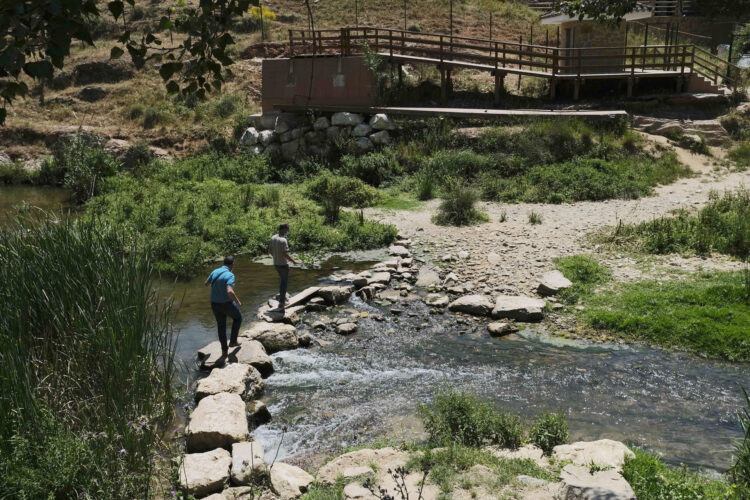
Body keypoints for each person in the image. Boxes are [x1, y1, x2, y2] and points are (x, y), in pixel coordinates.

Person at [205, 256, 242, 356]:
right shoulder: (230, 275)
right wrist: (237, 301)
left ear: (223, 263)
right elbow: (230, 291)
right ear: (232, 264)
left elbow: (207, 284)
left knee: (221, 326)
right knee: (238, 318)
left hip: (214, 304)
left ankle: (224, 351)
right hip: (227, 304)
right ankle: (233, 341)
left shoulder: (215, 271)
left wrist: (217, 287)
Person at [268, 223, 297, 310]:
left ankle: (282, 298)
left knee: (281, 281)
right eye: (287, 229)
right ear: (283, 229)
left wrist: (276, 257)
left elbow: (270, 250)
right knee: (284, 283)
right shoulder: (283, 240)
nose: (288, 231)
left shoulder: (273, 238)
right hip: (283, 265)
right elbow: (285, 253)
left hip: (276, 264)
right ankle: (282, 302)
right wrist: (293, 261)